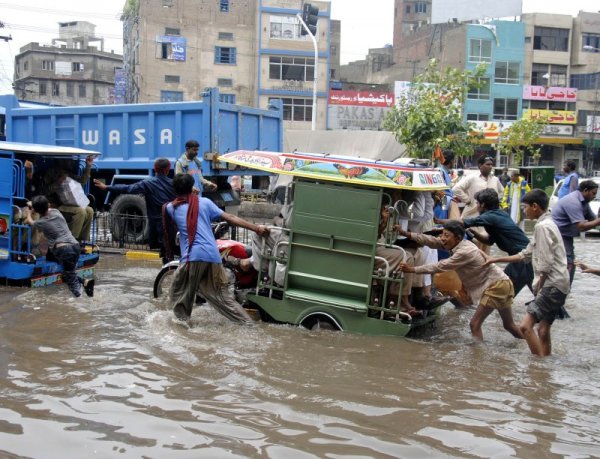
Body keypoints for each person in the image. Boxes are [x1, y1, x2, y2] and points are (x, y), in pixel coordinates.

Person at [163, 173, 269, 322]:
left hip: (192, 256)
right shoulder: (205, 202)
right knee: (223, 298)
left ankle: (181, 328)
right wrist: (256, 228)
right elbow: (231, 218)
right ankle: (247, 323)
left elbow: (175, 203)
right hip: (213, 256)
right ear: (191, 187)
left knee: (178, 294)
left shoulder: (171, 208)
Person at [397, 221, 523, 341]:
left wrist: (412, 269)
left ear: (457, 238)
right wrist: (407, 234)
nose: (442, 238)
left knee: (474, 324)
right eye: (442, 234)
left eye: (446, 235)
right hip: (503, 283)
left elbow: (439, 266)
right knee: (509, 326)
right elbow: (432, 241)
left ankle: (476, 359)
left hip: (496, 285)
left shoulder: (463, 252)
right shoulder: (460, 243)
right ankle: (531, 343)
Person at [484, 189, 569, 357]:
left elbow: (545, 262)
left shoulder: (542, 227)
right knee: (543, 330)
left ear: (535, 206)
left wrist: (539, 285)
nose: (524, 211)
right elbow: (526, 254)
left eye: (525, 207)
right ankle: (545, 364)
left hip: (551, 285)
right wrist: (495, 260)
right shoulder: (549, 223)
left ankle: (539, 367)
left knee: (525, 326)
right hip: (561, 283)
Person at [437, 188, 534, 297]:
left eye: (477, 203)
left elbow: (460, 223)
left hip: (522, 258)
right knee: (525, 290)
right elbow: (489, 241)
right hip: (525, 256)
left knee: (501, 291)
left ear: (483, 205)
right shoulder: (499, 214)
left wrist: (438, 221)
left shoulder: (490, 216)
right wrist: (474, 232)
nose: (477, 206)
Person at [94, 158, 176, 261]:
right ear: (168, 169)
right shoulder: (174, 183)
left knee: (165, 253)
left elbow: (128, 188)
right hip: (173, 223)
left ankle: (167, 272)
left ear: (155, 169)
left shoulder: (148, 184)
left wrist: (107, 187)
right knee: (173, 251)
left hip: (158, 224)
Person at [24, 195, 94, 298]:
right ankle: (85, 282)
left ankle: (81, 301)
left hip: (64, 250)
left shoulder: (41, 222)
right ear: (48, 205)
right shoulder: (56, 212)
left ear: (36, 210)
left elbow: (29, 221)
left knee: (72, 283)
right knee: (68, 274)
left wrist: (30, 212)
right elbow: (46, 208)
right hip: (75, 247)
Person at [551, 179, 600, 285]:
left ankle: (565, 288)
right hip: (558, 235)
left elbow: (593, 220)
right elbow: (581, 227)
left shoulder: (584, 202)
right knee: (567, 262)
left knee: (569, 261)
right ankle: (562, 289)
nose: (594, 196)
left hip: (566, 235)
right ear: (585, 190)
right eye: (593, 193)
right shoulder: (573, 201)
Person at [452, 155, 504, 254]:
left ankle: (484, 265)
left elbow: (502, 192)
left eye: (491, 165)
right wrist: (467, 200)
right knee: (472, 243)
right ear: (480, 165)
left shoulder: (495, 179)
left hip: (488, 218)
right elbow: (456, 189)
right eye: (487, 164)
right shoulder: (472, 178)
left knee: (486, 244)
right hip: (472, 215)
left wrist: (496, 202)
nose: (490, 166)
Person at [46, 155, 95, 243]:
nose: (70, 162)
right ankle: (72, 240)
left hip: (67, 205)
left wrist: (88, 166)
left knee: (90, 210)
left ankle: (83, 240)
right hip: (56, 206)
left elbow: (82, 180)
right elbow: (45, 191)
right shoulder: (50, 173)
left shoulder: (66, 172)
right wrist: (58, 183)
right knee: (81, 212)